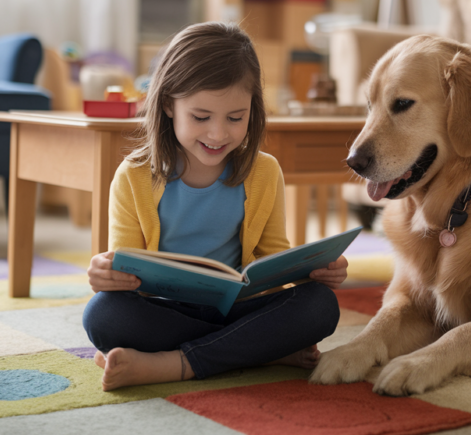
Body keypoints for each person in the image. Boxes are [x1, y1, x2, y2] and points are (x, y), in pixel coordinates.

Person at [82, 22, 348, 391]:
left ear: (252, 110)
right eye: (201, 117)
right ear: (168, 106)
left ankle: (174, 363)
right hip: (166, 309)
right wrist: (105, 275)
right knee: (103, 316)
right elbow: (125, 268)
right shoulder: (133, 176)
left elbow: (275, 259)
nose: (218, 134)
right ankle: (257, 349)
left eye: (235, 118)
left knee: (320, 306)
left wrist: (315, 270)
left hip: (238, 306)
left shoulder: (264, 171)